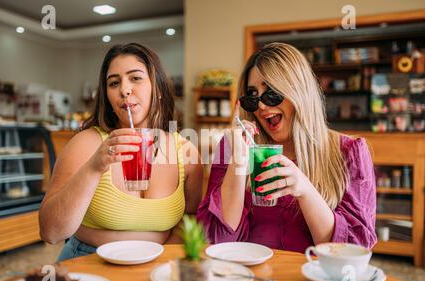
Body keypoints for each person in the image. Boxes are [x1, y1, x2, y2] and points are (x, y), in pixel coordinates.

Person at [197, 42, 376, 253]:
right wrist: (238, 164)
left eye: (271, 92)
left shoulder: (349, 152)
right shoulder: (233, 147)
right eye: (252, 96)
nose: (262, 106)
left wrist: (305, 191)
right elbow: (216, 241)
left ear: (299, 92)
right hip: (248, 277)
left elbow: (351, 250)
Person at [39, 43, 203, 260]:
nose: (124, 89)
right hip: (88, 261)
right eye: (114, 83)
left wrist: (158, 259)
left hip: (158, 261)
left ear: (159, 89)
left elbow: (190, 218)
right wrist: (94, 167)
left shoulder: (186, 151)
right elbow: (51, 232)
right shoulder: (87, 143)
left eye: (135, 78)